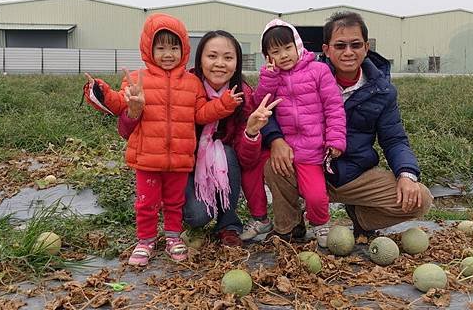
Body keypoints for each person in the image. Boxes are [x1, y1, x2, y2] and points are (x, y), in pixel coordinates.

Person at [83, 14, 242, 265]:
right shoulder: (137, 80)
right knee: (146, 203)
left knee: (174, 202)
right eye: (161, 48)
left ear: (184, 49)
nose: (168, 54)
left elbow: (201, 114)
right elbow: (119, 104)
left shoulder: (192, 83)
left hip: (179, 158)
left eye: (174, 47)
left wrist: (224, 104)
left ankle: (172, 237)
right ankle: (145, 240)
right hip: (147, 157)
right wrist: (101, 90)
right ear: (149, 49)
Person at [262, 12, 433, 241]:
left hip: (354, 173)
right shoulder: (302, 74)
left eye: (356, 44)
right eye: (340, 45)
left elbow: (394, 139)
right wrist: (276, 139)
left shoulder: (382, 91)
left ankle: (362, 218)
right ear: (327, 48)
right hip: (308, 163)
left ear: (366, 47)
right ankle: (291, 225)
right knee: (273, 166)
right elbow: (266, 106)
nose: (348, 52)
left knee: (419, 198)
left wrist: (406, 174)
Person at [118, 30, 280, 247]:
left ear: (237, 62)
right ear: (199, 59)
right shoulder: (183, 85)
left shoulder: (243, 95)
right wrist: (133, 112)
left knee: (228, 151)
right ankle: (181, 216)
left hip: (224, 168)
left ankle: (228, 223)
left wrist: (251, 133)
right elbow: (125, 131)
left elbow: (247, 160)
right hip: (183, 164)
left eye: (228, 57)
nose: (220, 64)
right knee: (197, 216)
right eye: (212, 56)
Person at [252, 19, 346, 247]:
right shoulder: (272, 78)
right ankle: (288, 226)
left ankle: (320, 223)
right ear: (267, 56)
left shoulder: (319, 71)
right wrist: (269, 77)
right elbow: (260, 104)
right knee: (276, 179)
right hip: (286, 152)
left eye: (287, 48)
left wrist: (335, 139)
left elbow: (333, 106)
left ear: (298, 46)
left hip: (311, 152)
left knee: (316, 196)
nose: (283, 55)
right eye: (275, 52)